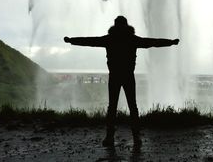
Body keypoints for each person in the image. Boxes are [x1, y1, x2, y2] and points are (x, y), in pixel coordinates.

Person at [64, 16, 179, 147]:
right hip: (128, 76)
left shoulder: (110, 39)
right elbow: (152, 42)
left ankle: (110, 137)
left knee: (112, 107)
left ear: (115, 25)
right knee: (132, 107)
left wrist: (71, 40)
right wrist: (171, 42)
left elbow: (89, 41)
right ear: (126, 25)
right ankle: (136, 137)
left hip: (114, 76)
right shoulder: (132, 39)